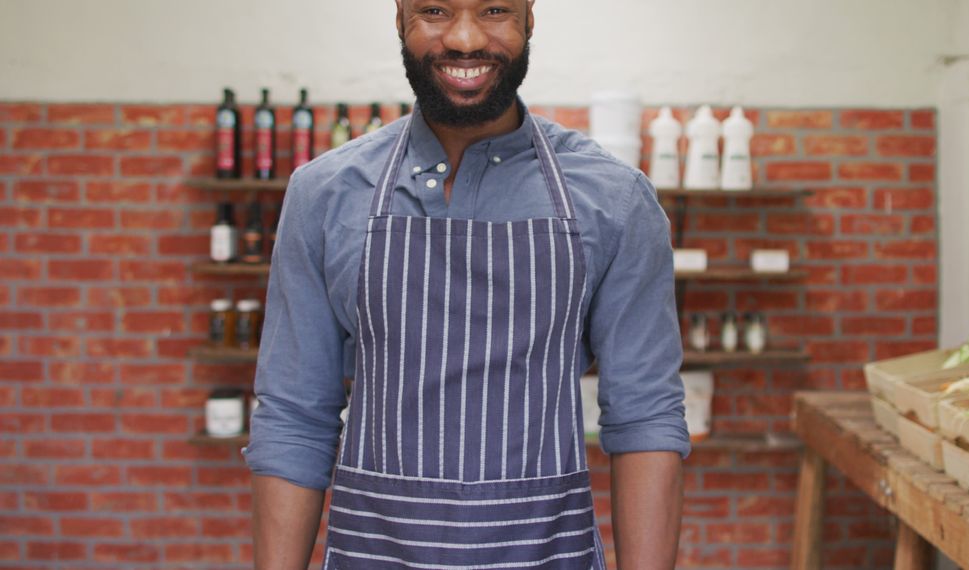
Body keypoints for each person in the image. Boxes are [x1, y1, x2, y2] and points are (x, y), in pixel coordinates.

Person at [243, 0, 690, 568]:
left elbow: (645, 417)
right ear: (400, 19)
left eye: (494, 10)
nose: (463, 39)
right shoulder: (325, 194)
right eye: (435, 10)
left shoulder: (615, 200)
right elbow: (294, 417)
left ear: (530, 19)